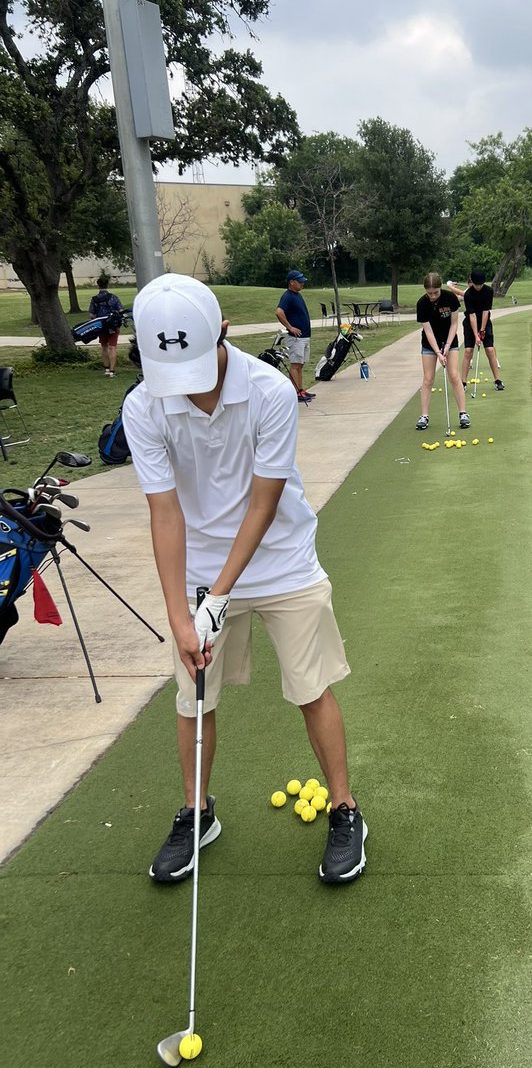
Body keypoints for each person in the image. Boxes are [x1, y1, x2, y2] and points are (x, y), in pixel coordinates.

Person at [122, 273, 367, 886]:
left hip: (282, 557)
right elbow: (165, 510)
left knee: (312, 688)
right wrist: (182, 616)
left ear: (223, 331)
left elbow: (263, 502)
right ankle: (197, 814)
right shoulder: (143, 404)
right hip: (201, 571)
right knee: (193, 697)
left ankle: (345, 810)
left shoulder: (271, 392)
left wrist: (220, 597)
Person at [414, 272, 470, 432]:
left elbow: (454, 324)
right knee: (428, 379)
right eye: (429, 293)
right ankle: (424, 416)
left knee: (453, 375)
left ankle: (463, 413)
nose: (432, 296)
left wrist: (447, 347)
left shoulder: (450, 298)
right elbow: (428, 331)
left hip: (450, 341)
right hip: (429, 344)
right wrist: (438, 352)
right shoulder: (422, 304)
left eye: (435, 292)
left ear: (440, 288)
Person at [276, 269, 316, 404]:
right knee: (295, 364)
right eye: (299, 282)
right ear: (292, 282)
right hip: (296, 338)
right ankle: (296, 392)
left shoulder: (297, 295)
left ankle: (301, 389)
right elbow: (279, 312)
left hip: (304, 337)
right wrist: (290, 327)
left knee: (300, 364)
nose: (302, 284)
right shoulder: (287, 296)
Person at [460, 270, 504, 391]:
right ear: (472, 283)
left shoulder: (488, 291)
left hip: (485, 323)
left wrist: (482, 331)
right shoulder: (468, 295)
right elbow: (472, 315)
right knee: (468, 351)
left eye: (480, 284)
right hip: (470, 324)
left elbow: (486, 311)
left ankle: (497, 380)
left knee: (490, 350)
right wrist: (476, 335)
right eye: (476, 284)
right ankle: (463, 383)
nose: (478, 287)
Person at [89, 275, 126, 378]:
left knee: (104, 347)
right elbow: (121, 311)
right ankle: (112, 370)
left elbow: (92, 315)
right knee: (112, 347)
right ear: (107, 285)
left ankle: (106, 368)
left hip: (101, 326)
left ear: (98, 286)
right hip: (113, 326)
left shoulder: (95, 299)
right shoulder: (113, 298)